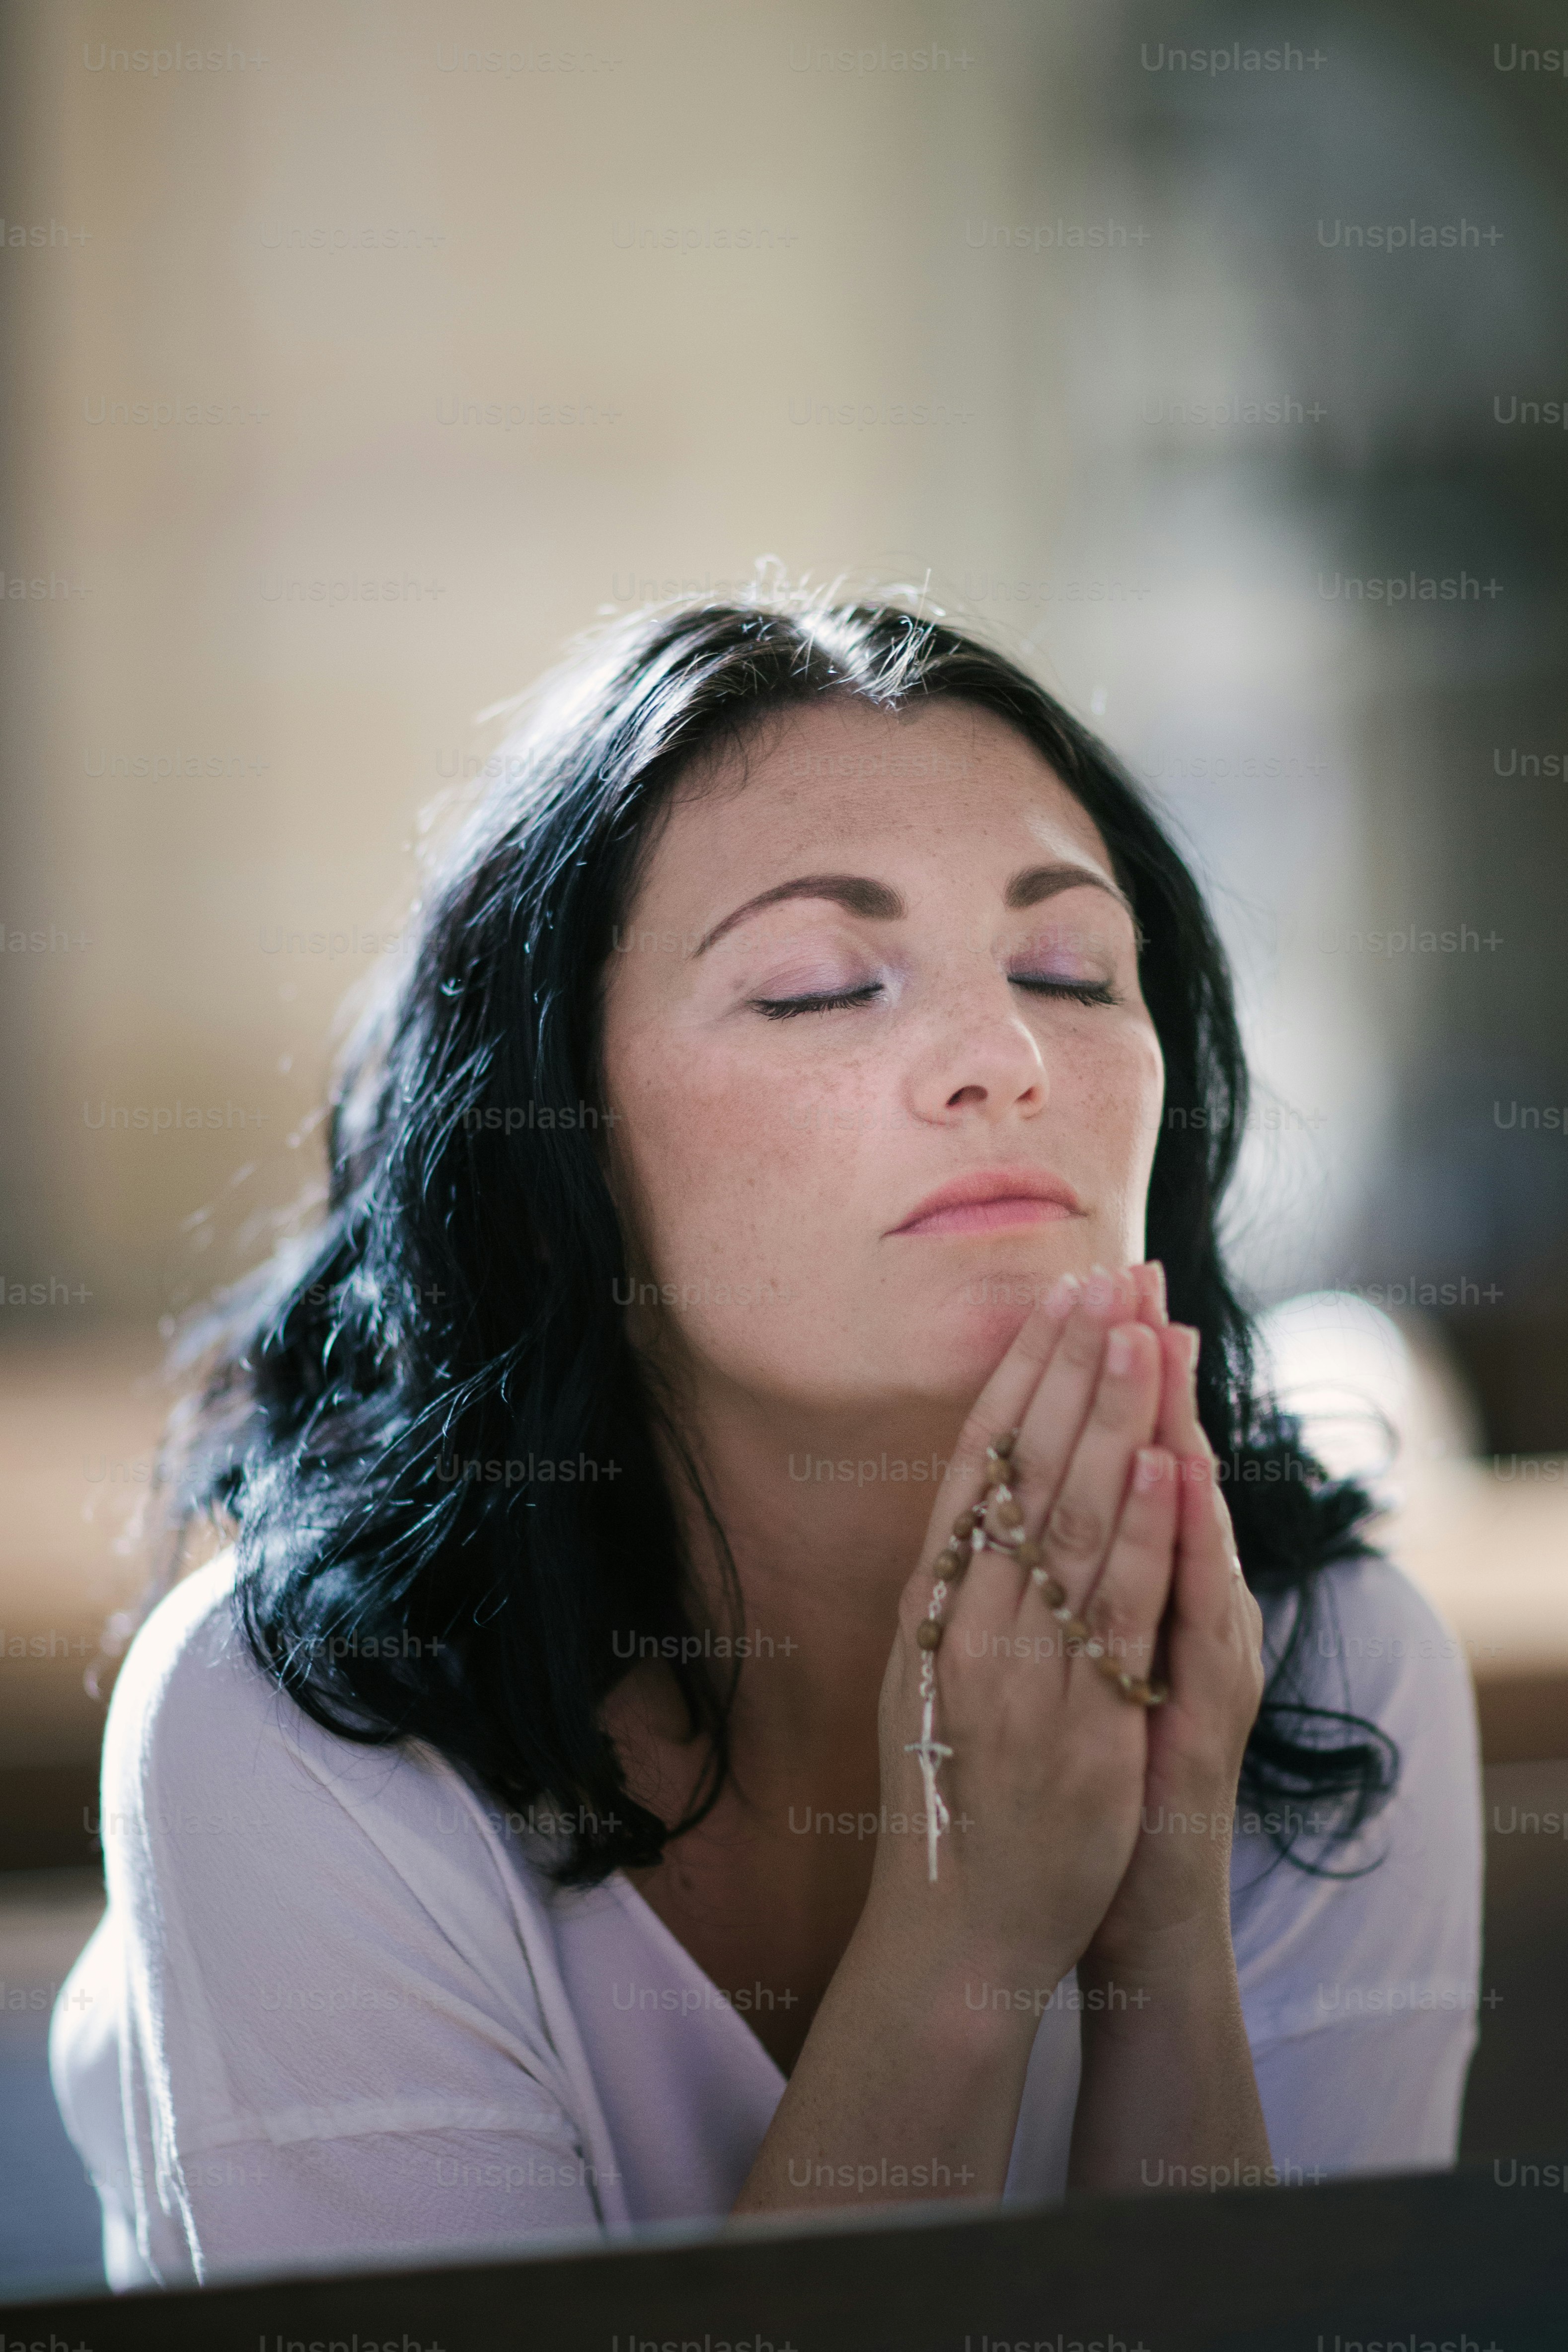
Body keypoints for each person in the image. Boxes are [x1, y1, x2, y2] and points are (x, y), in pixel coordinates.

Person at [51, 594, 1483, 2288]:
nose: (1004, 1059)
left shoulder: (1332, 1676)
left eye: (1068, 969)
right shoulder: (296, 1736)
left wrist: (1160, 1939)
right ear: (554, 1133)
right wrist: (971, 1930)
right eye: (817, 990)